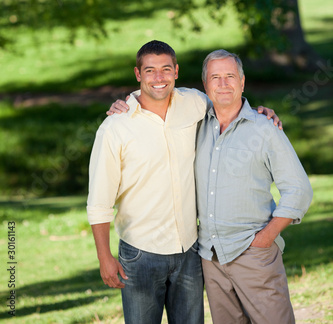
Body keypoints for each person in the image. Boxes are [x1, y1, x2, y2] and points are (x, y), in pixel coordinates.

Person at [87, 40, 281, 324]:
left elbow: (228, 102)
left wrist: (260, 113)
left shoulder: (194, 103)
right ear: (138, 75)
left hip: (189, 250)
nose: (159, 78)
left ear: (176, 71)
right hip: (140, 254)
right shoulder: (116, 127)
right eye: (150, 70)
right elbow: (99, 201)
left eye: (166, 69)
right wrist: (105, 257)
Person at [195, 49, 313, 324]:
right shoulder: (196, 126)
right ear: (205, 85)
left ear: (243, 82)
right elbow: (156, 97)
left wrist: (266, 237)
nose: (223, 84)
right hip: (211, 257)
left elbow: (299, 190)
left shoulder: (265, 128)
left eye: (230, 76)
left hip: (254, 253)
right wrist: (126, 102)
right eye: (215, 77)